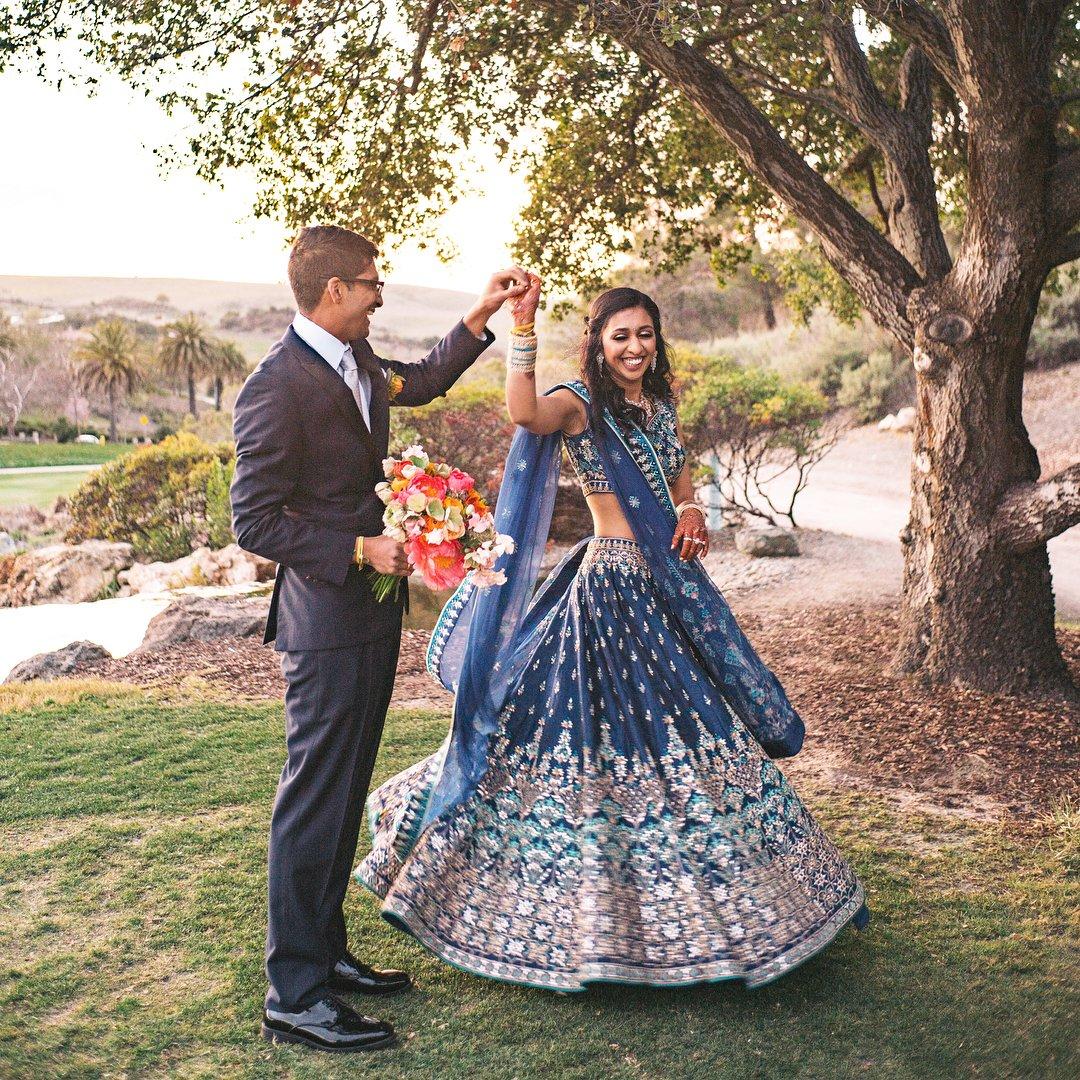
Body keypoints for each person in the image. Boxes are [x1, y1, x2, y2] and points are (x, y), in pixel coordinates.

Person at [354, 280, 869, 992]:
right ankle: (538, 894)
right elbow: (522, 412)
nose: (634, 347)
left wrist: (690, 507)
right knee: (587, 734)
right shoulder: (579, 405)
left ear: (658, 341)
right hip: (607, 590)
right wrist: (524, 327)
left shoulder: (656, 406)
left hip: (664, 588)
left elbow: (680, 467)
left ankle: (708, 907)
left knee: (689, 729)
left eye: (645, 335)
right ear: (598, 341)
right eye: (619, 336)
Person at [231, 223, 528, 1051]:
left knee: (345, 786)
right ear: (333, 293)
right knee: (313, 801)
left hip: (370, 615)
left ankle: (326, 955)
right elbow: (251, 518)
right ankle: (294, 995)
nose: (379, 294)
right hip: (322, 621)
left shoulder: (357, 362)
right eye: (371, 284)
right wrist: (358, 548)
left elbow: (425, 379)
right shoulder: (276, 386)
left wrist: (481, 314)